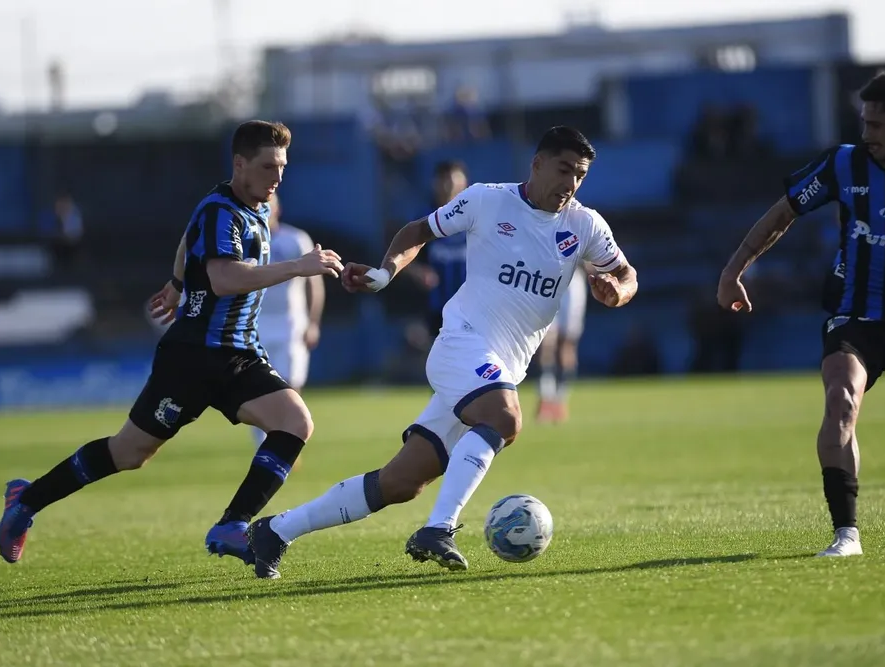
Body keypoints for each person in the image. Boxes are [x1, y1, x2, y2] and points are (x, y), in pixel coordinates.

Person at [245, 126, 639, 579]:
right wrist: (383, 273)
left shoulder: (584, 225)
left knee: (398, 483)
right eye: (564, 170)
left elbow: (627, 273)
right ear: (537, 164)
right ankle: (438, 529)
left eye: (581, 176)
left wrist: (618, 291)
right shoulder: (487, 200)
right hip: (461, 344)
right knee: (505, 419)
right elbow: (418, 230)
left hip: (495, 371)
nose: (571, 184)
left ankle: (275, 530)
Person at [0, 120, 344, 567]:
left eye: (282, 166)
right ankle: (26, 500)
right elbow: (224, 278)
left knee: (295, 422)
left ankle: (233, 525)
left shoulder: (253, 207)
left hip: (238, 354)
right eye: (268, 166)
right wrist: (297, 267)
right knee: (129, 453)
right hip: (193, 358)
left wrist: (178, 281)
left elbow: (187, 238)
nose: (277, 176)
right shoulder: (222, 210)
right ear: (240, 164)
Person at [716, 68, 885, 558]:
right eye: (863, 122)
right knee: (841, 402)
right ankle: (846, 533)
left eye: (876, 125)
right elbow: (784, 211)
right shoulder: (843, 165)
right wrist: (733, 270)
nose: (865, 134)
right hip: (855, 316)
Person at [252, 193, 325, 447]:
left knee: (291, 386)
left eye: (268, 207)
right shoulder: (246, 240)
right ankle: (264, 444)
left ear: (278, 210)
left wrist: (313, 322)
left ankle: (287, 439)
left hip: (291, 324)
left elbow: (314, 285)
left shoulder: (296, 239)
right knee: (257, 388)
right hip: (255, 325)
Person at [403, 160, 469, 340]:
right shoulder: (424, 218)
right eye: (444, 181)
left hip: (472, 306)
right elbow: (404, 258)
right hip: (437, 307)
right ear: (435, 184)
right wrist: (418, 272)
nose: (449, 187)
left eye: (454, 181)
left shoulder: (473, 216)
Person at [536, 264, 587, 423]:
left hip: (572, 280)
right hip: (547, 276)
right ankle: (546, 397)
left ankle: (560, 400)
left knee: (567, 344)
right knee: (545, 342)